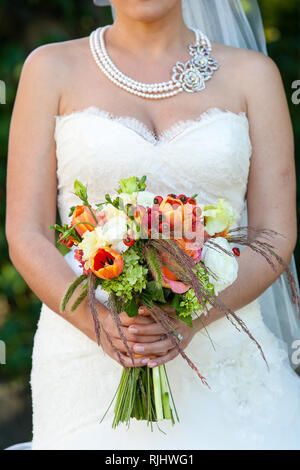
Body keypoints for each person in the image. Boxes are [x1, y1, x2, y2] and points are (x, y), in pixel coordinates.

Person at [6, 0, 300, 450]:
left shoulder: (254, 76)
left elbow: (276, 235)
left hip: (226, 347)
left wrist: (194, 318)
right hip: (86, 348)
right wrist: (101, 324)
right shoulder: (49, 69)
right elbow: (26, 232)